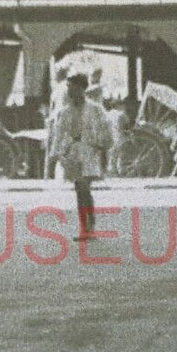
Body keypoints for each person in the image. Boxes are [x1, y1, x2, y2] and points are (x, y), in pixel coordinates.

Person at [49, 73, 113, 239]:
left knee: (84, 188)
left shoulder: (95, 109)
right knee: (80, 189)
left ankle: (90, 226)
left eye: (71, 87)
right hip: (73, 154)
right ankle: (86, 227)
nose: (69, 90)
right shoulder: (65, 112)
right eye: (68, 87)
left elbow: (106, 130)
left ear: (80, 88)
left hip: (90, 152)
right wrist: (56, 155)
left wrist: (102, 146)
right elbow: (59, 134)